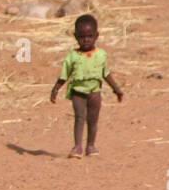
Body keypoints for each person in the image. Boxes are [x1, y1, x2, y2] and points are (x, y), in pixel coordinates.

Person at [49, 13, 123, 157]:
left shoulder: (101, 55)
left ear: (97, 36)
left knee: (93, 120)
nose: (86, 40)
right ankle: (77, 147)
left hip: (95, 92)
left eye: (90, 36)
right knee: (79, 118)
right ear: (76, 36)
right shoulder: (72, 56)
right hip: (78, 92)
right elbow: (65, 75)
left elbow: (105, 73)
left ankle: (91, 146)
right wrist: (55, 89)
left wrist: (116, 89)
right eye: (82, 37)